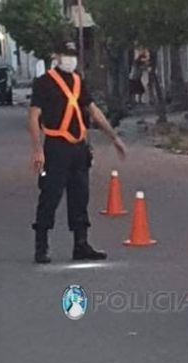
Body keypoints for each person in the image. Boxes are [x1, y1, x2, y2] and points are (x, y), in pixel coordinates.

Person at [29, 41, 127, 264]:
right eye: (66, 54)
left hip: (78, 148)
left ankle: (81, 244)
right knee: (50, 195)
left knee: (80, 196)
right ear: (57, 56)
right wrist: (37, 150)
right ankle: (41, 245)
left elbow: (93, 110)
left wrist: (114, 138)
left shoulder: (77, 81)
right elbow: (33, 116)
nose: (70, 59)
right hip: (55, 146)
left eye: (73, 55)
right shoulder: (44, 83)